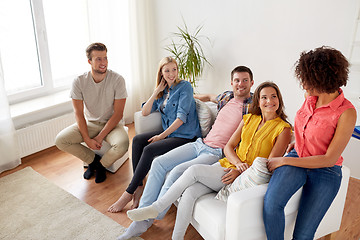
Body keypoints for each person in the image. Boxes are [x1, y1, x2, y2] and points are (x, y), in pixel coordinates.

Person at [126, 81, 292, 240]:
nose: (269, 101)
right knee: (189, 192)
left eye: (273, 96)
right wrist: (236, 164)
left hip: (242, 177)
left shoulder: (282, 129)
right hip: (227, 166)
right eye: (264, 97)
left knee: (193, 170)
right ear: (258, 100)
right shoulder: (249, 119)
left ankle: (157, 207)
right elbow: (228, 147)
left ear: (279, 99)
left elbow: (268, 165)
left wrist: (239, 171)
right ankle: (176, 237)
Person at [114, 65, 254, 239]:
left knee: (178, 172)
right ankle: (143, 215)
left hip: (216, 153)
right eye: (237, 80)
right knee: (158, 163)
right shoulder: (226, 97)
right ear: (231, 83)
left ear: (251, 82)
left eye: (245, 80)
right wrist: (185, 96)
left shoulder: (254, 107)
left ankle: (144, 221)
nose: (241, 84)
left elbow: (274, 119)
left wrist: (292, 140)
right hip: (200, 143)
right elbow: (209, 96)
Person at [263, 46, 357, 240]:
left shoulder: (347, 112)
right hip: (299, 155)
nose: (304, 85)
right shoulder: (310, 97)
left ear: (323, 80)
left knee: (304, 235)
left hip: (326, 170)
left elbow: (329, 159)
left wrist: (284, 161)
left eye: (308, 80)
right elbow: (308, 125)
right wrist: (298, 140)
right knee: (272, 204)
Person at [108, 56, 202, 212]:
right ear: (161, 73)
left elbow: (181, 118)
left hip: (186, 135)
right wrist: (156, 91)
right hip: (171, 133)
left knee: (149, 149)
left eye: (174, 69)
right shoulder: (163, 91)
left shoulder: (185, 87)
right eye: (167, 70)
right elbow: (145, 112)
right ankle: (138, 187)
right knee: (138, 140)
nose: (172, 74)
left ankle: (127, 193)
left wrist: (161, 136)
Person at [55, 42, 129, 183]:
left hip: (113, 124)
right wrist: (87, 140)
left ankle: (101, 166)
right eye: (98, 59)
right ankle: (93, 161)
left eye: (105, 58)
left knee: (123, 144)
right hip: (91, 124)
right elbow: (79, 114)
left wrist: (100, 137)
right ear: (89, 61)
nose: (103, 62)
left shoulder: (118, 80)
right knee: (61, 140)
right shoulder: (79, 81)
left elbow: (118, 113)